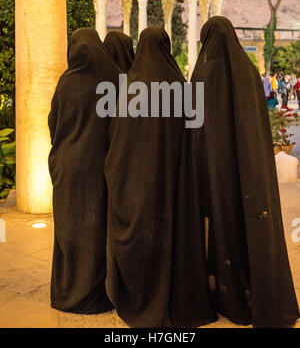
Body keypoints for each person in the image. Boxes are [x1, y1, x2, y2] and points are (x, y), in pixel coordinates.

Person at [190, 16, 299, 328]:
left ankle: (224, 292)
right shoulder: (249, 72)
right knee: (245, 225)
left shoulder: (202, 74)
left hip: (213, 170)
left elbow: (193, 129)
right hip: (247, 171)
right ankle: (250, 289)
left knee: (219, 228)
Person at [104, 26, 189, 328]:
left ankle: (139, 297)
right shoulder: (179, 85)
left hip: (137, 184)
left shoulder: (129, 88)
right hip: (173, 186)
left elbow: (118, 138)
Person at [48, 27, 121, 314]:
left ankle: (68, 291)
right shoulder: (115, 80)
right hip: (100, 167)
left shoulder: (67, 82)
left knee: (69, 228)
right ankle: (96, 293)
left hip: (67, 166)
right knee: (96, 227)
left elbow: (54, 123)